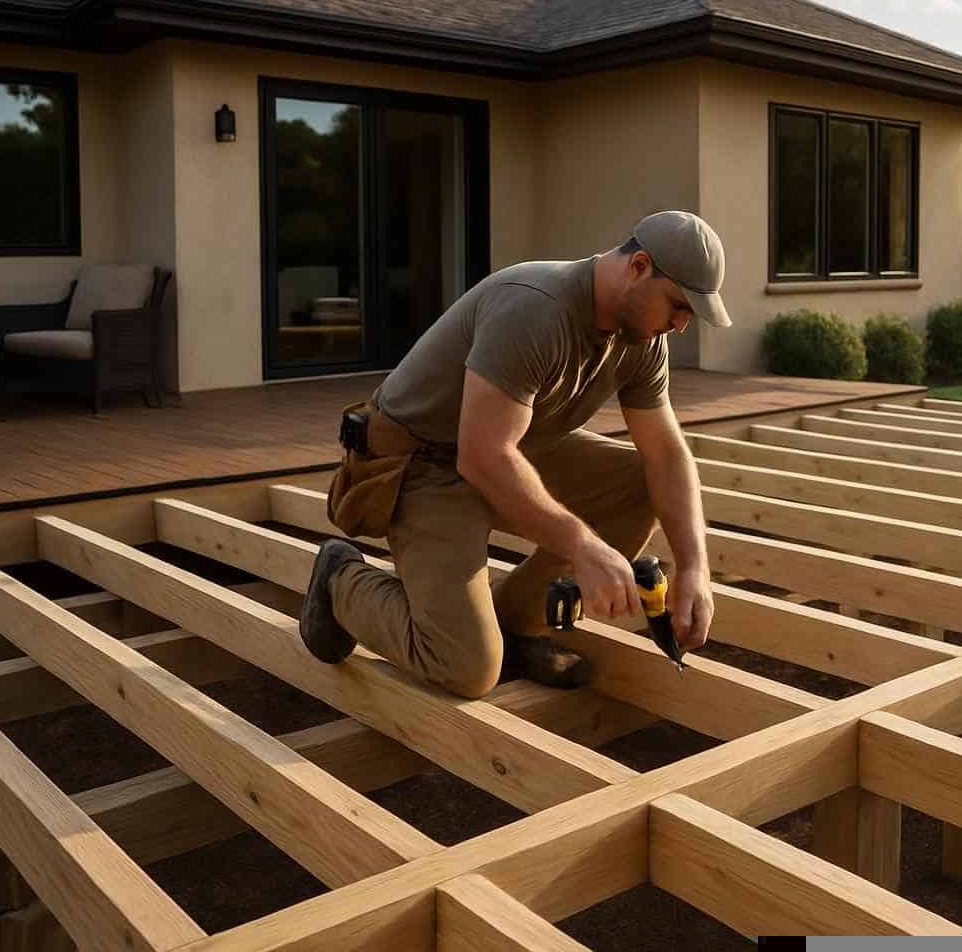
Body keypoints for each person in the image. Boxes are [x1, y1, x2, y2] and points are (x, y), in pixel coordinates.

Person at [299, 210, 731, 698]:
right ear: (638, 267)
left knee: (640, 485)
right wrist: (582, 546)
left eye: (690, 315)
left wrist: (694, 565)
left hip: (512, 445)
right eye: (677, 306)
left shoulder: (643, 337)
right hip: (425, 462)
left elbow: (666, 454)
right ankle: (341, 580)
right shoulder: (535, 308)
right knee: (464, 666)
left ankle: (519, 625)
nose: (679, 326)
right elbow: (482, 457)